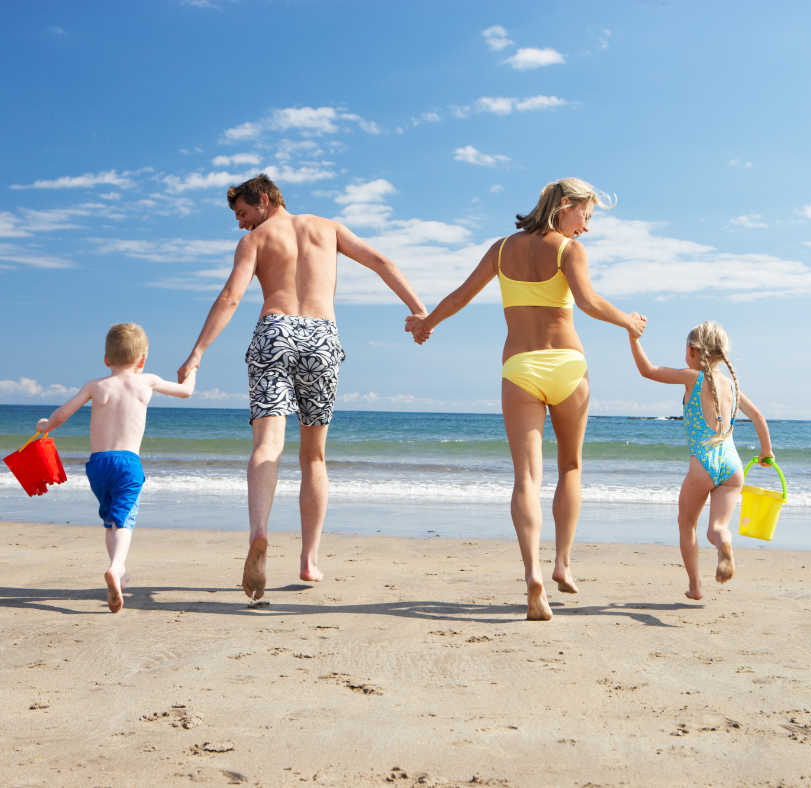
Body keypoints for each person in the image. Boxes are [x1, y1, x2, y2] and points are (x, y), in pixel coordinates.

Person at [177, 174, 428, 601]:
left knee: (267, 445)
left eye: (242, 214)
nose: (240, 224)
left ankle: (259, 533)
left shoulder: (256, 241)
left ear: (263, 199)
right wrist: (419, 311)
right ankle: (310, 560)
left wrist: (198, 351)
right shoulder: (327, 228)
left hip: (274, 332)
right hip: (322, 337)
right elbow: (382, 261)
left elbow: (231, 298)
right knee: (313, 454)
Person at [407, 178, 647, 621]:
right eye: (586, 216)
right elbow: (589, 302)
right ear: (566, 205)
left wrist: (427, 322)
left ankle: (533, 574)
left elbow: (461, 296)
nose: (587, 228)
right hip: (567, 365)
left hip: (520, 368)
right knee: (571, 466)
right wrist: (629, 323)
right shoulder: (568, 251)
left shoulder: (502, 249)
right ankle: (562, 563)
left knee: (526, 480)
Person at [35, 323, 196, 612]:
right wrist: (193, 369)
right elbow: (186, 392)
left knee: (110, 519)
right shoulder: (146, 381)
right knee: (125, 519)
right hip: (128, 464)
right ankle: (116, 568)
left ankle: (119, 573)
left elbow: (61, 414)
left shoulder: (96, 386)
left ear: (106, 359)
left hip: (97, 466)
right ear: (142, 360)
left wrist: (46, 426)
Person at [628, 321, 774, 600]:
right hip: (732, 466)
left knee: (687, 524)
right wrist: (766, 452)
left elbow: (647, 370)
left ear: (693, 350)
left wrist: (633, 338)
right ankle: (725, 545)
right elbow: (759, 417)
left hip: (703, 464)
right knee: (717, 528)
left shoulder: (692, 377)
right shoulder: (731, 385)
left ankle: (695, 586)